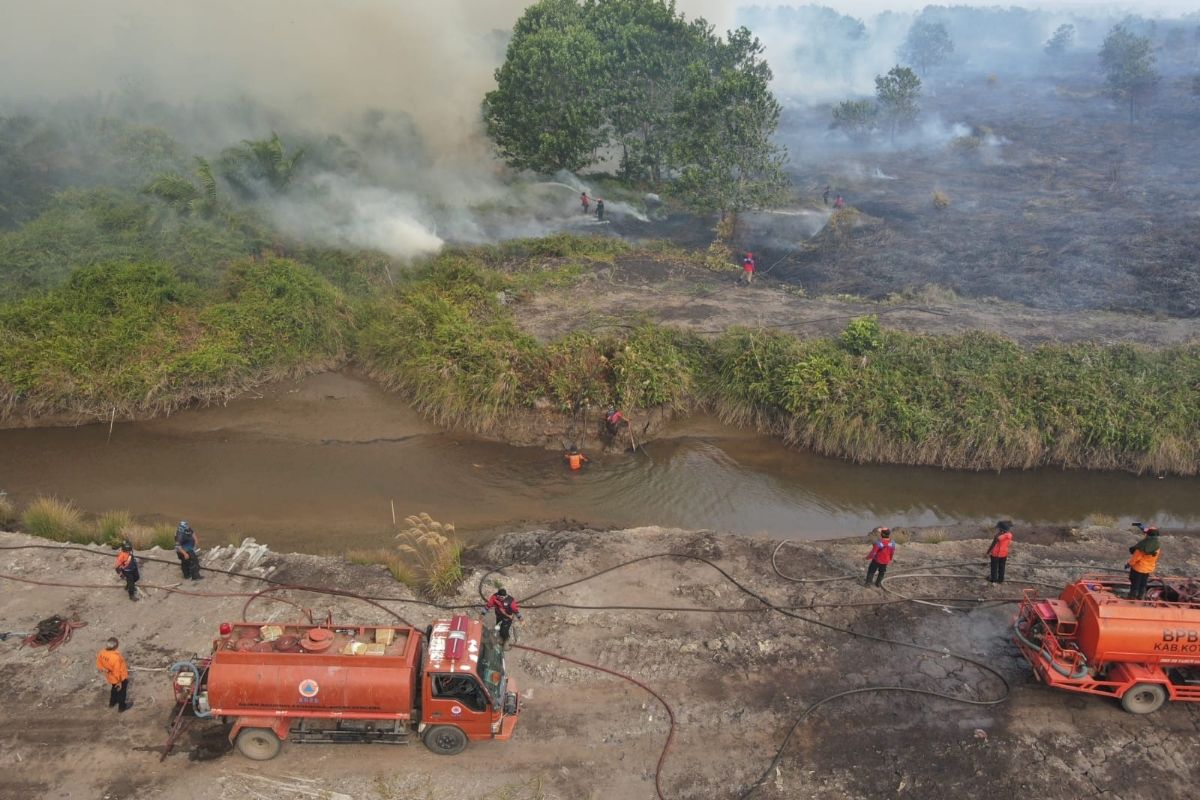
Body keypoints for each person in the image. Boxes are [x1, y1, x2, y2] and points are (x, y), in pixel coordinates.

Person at [96, 638, 133, 712]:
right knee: (122, 691)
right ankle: (122, 707)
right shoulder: (115, 657)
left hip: (110, 676)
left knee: (114, 689)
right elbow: (117, 671)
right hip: (120, 677)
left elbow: (99, 665)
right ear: (115, 646)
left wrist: (106, 670)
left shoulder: (101, 653)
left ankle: (112, 702)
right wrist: (119, 682)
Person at [1127, 523, 1161, 600]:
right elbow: (1147, 530)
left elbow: (1136, 558)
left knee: (1135, 583)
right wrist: (1140, 526)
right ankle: (1140, 596)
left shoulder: (1142, 547)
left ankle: (1132, 597)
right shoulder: (1156, 546)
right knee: (1143, 583)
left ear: (1148, 535)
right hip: (1148, 568)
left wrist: (1128, 564)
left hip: (1138, 568)